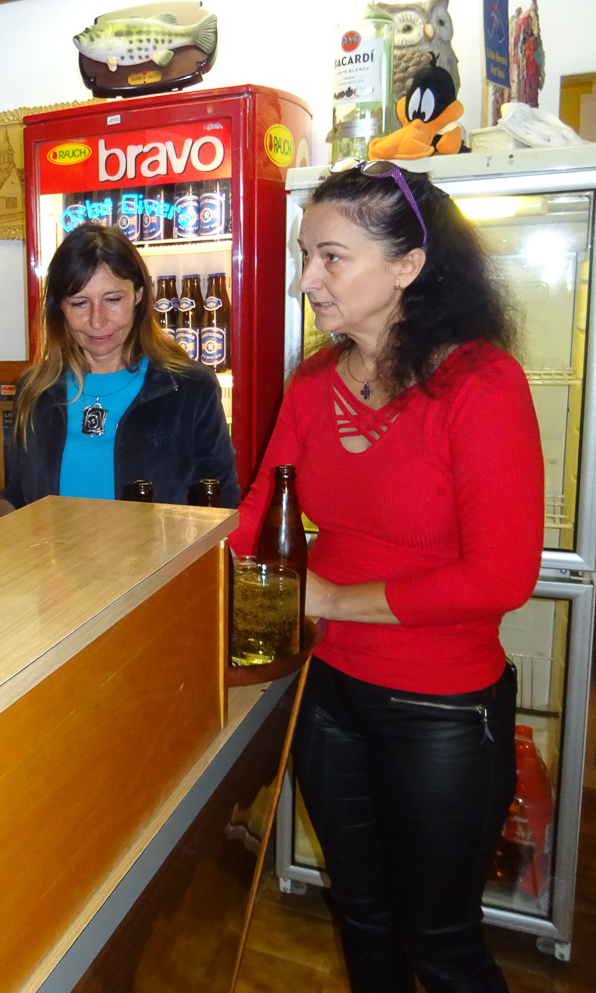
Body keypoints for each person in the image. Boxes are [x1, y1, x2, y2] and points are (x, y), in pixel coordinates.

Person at [230, 161, 543, 993]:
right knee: (362, 918)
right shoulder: (312, 383)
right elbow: (259, 509)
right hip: (328, 691)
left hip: (442, 713)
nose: (306, 281)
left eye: (331, 258)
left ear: (408, 265)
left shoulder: (481, 383)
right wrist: (176, 572)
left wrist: (331, 598)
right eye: (305, 256)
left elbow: (501, 576)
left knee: (440, 943)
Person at [0, 220, 237, 540]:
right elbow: (18, 494)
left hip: (157, 571)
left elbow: (222, 507)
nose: (97, 320)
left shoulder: (191, 389)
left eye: (113, 300)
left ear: (138, 294)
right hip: (56, 571)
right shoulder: (35, 390)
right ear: (60, 308)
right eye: (80, 303)